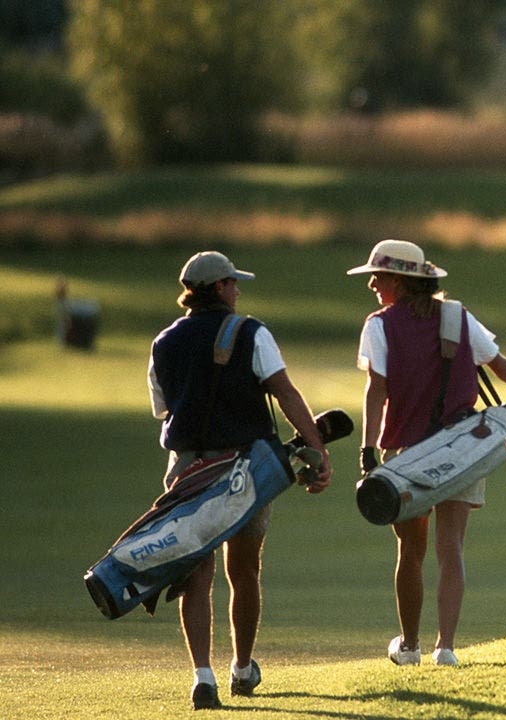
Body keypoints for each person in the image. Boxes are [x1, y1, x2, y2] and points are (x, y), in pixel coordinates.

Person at [148, 251, 333, 710]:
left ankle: (202, 676)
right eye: (232, 284)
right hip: (245, 471)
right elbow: (285, 393)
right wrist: (317, 448)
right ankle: (243, 668)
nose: (237, 290)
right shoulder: (251, 332)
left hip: (187, 468)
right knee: (244, 569)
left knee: (196, 572)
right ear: (217, 289)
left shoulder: (163, 342)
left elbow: (165, 410)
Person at [347, 239, 506, 667]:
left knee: (410, 553)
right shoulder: (458, 317)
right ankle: (446, 647)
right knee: (451, 547)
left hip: (408, 453)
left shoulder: (379, 324)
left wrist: (368, 450)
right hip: (464, 447)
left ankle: (411, 646)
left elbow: (377, 389)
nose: (373, 285)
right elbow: (499, 365)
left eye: (377, 277)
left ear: (399, 280)